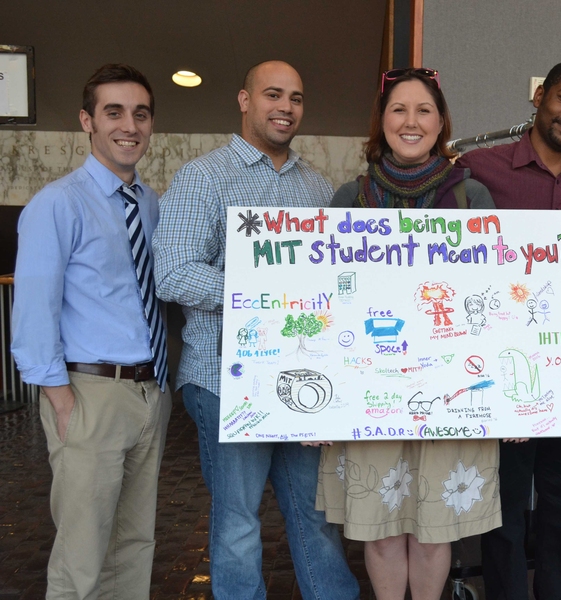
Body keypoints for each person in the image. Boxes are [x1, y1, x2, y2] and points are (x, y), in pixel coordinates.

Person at [152, 60, 359, 600]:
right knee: (239, 524)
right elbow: (171, 271)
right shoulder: (203, 177)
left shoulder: (318, 187)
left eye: (295, 97)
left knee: (316, 516)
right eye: (273, 95)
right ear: (245, 100)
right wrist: (261, 293)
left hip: (304, 381)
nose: (285, 107)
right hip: (225, 382)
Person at [315, 67, 500, 600]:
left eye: (424, 110)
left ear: (441, 121)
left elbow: (493, 297)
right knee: (381, 527)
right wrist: (315, 406)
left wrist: (513, 400)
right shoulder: (350, 197)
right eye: (399, 109)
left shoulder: (472, 197)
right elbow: (322, 300)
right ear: (383, 120)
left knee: (433, 529)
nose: (411, 121)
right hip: (367, 392)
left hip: (450, 393)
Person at [456, 59, 561, 600]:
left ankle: (557, 591)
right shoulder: (480, 168)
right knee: (503, 487)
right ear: (540, 97)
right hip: (504, 349)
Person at [11, 63, 172, 599]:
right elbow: (33, 306)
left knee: (134, 545)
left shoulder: (149, 204)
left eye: (140, 114)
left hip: (150, 391)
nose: (130, 125)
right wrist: (57, 395)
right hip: (89, 393)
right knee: (82, 555)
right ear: (87, 120)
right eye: (114, 112)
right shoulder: (58, 203)